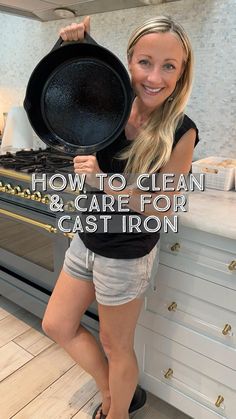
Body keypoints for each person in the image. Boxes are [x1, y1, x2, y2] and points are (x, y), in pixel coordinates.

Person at [42, 15, 199, 419]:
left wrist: (107, 182)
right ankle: (114, 390)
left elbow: (164, 207)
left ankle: (116, 410)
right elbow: (62, 93)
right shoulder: (110, 103)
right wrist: (72, 44)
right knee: (57, 325)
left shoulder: (181, 131)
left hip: (127, 253)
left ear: (181, 74)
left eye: (169, 66)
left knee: (115, 345)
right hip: (88, 234)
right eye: (145, 61)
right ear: (128, 61)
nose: (155, 77)